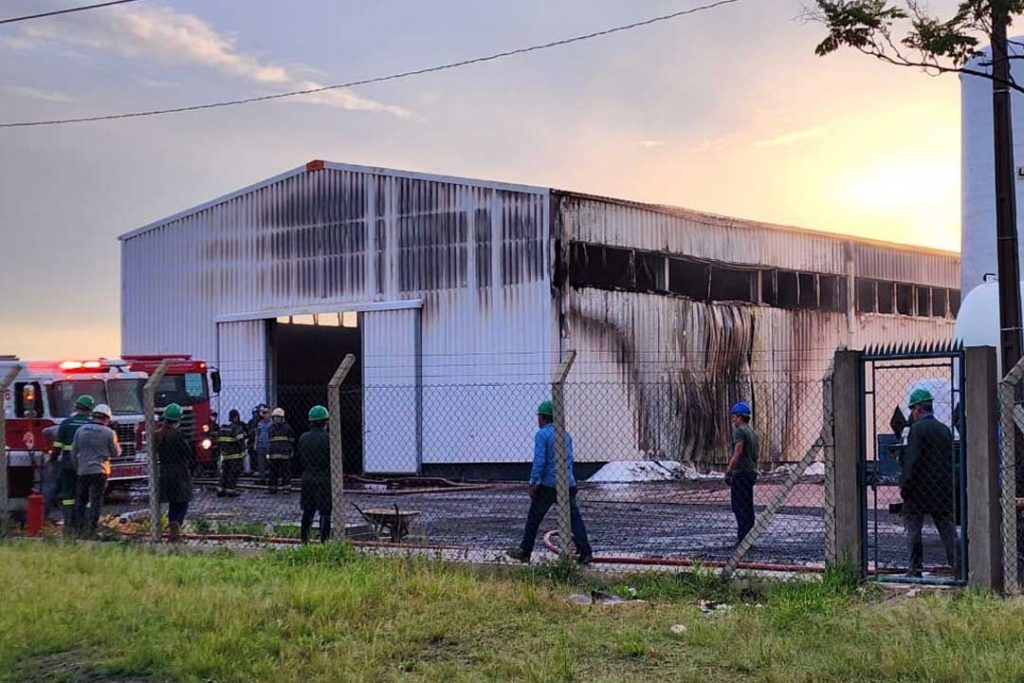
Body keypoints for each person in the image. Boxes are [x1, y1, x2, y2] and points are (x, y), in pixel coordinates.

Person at [507, 400, 593, 564]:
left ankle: (525, 551)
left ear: (543, 417)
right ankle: (585, 552)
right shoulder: (565, 434)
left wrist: (533, 482)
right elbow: (569, 459)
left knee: (534, 518)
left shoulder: (542, 435)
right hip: (567, 483)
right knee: (574, 519)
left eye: (539, 416)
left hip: (547, 484)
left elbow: (540, 461)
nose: (537, 420)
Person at [901, 388, 959, 577]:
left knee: (913, 530)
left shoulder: (917, 430)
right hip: (941, 489)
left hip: (918, 491)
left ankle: (915, 568)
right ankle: (958, 565)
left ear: (918, 409)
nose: (912, 414)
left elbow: (913, 461)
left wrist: (905, 486)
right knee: (947, 529)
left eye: (912, 410)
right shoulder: (944, 430)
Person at [70, 403, 120, 538]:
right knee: (96, 501)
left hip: (83, 470)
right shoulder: (109, 432)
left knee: (80, 499)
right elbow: (116, 453)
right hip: (100, 470)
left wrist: (78, 468)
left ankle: (77, 529)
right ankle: (92, 529)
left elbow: (74, 452)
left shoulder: (80, 430)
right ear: (107, 418)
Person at [52, 394, 95, 535]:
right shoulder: (91, 425)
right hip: (86, 465)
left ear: (76, 407)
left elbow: (57, 445)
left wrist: (52, 460)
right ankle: (84, 525)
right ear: (90, 409)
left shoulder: (66, 423)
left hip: (67, 465)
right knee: (84, 495)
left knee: (68, 495)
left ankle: (69, 524)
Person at [155, 402, 195, 543]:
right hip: (180, 471)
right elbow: (187, 453)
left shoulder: (159, 434)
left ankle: (173, 526)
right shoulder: (177, 435)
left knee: (173, 502)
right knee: (183, 501)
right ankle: (176, 524)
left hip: (165, 472)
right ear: (178, 419)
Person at [725, 401, 759, 546]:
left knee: (738, 506)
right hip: (751, 472)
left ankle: (743, 538)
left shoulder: (739, 431)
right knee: (748, 506)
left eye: (734, 417)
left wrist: (729, 470)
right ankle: (749, 537)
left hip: (741, 473)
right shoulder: (752, 432)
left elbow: (738, 452)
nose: (733, 420)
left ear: (740, 417)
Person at [298, 405, 332, 544]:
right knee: (325, 512)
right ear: (326, 422)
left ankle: (304, 542)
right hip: (324, 478)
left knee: (307, 511)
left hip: (307, 478)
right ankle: (324, 542)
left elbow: (300, 459)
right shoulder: (329, 439)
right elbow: (337, 460)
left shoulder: (303, 438)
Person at [216, 409, 247, 497]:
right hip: (235, 456)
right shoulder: (237, 428)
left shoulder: (223, 428)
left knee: (225, 473)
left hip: (225, 456)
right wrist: (244, 451)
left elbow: (218, 441)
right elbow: (241, 442)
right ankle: (231, 491)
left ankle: (220, 490)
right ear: (237, 417)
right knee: (233, 474)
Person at [267, 407, 296, 494]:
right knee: (285, 472)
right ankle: (286, 488)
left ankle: (272, 488)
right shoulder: (287, 428)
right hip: (284, 454)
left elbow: (270, 441)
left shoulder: (271, 428)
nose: (276, 419)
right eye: (276, 417)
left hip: (274, 454)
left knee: (274, 472)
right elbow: (292, 440)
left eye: (277, 417)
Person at [251, 405, 272, 481]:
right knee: (261, 462)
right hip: (260, 445)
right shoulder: (259, 423)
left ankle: (270, 477)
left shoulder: (272, 424)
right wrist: (255, 444)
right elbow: (257, 434)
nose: (265, 414)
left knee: (270, 462)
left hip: (269, 445)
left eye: (266, 412)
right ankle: (262, 477)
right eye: (263, 412)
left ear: (270, 413)